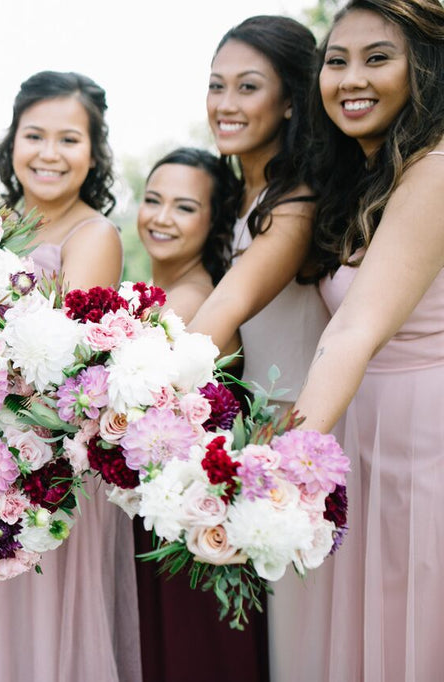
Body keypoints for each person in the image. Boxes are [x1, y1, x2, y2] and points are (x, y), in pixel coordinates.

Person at [0, 70, 139, 682]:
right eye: (33, 135)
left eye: (68, 139)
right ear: (11, 141)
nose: (48, 153)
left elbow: (66, 365)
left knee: (41, 638)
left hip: (45, 467)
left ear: (93, 153)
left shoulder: (93, 234)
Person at [292, 1, 444, 679]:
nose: (352, 78)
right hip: (366, 439)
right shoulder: (369, 177)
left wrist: (285, 472)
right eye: (337, 61)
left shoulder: (437, 170)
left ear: (425, 67)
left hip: (426, 443)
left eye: (378, 58)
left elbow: (355, 327)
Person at [186, 17, 333, 681]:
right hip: (256, 439)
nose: (225, 103)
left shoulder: (295, 200)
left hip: (308, 434)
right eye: (216, 86)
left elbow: (224, 312)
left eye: (248, 86)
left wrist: (129, 384)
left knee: (307, 643)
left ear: (292, 101)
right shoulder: (241, 195)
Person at [134, 147, 269, 682]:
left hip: (188, 529)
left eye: (184, 207)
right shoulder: (157, 295)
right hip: (157, 515)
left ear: (214, 222)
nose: (162, 217)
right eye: (152, 200)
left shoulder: (195, 304)